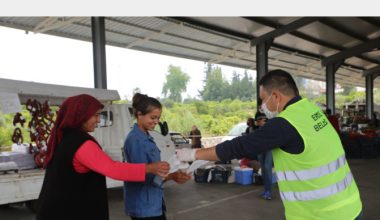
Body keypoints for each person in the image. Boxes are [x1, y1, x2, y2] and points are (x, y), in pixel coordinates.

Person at [177, 69, 362, 220]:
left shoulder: (285, 123)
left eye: (262, 99)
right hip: (350, 207)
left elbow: (238, 146)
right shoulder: (311, 110)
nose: (262, 106)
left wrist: (193, 154)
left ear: (275, 96)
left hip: (320, 214)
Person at [36, 94, 170, 220]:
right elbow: (113, 169)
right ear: (81, 116)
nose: (99, 120)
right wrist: (149, 168)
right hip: (68, 212)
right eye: (95, 115)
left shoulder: (67, 138)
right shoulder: (81, 143)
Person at [124, 93, 191, 220]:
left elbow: (153, 167)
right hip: (144, 206)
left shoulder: (146, 136)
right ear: (139, 114)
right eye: (153, 117)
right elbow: (142, 174)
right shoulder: (136, 140)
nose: (156, 121)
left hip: (152, 202)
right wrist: (172, 176)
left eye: (158, 118)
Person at [254, 111, 273, 200]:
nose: (258, 123)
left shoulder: (270, 127)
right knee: (263, 170)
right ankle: (266, 190)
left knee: (267, 168)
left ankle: (269, 192)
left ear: (263, 120)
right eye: (257, 122)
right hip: (261, 150)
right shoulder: (258, 129)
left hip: (269, 149)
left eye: (259, 121)